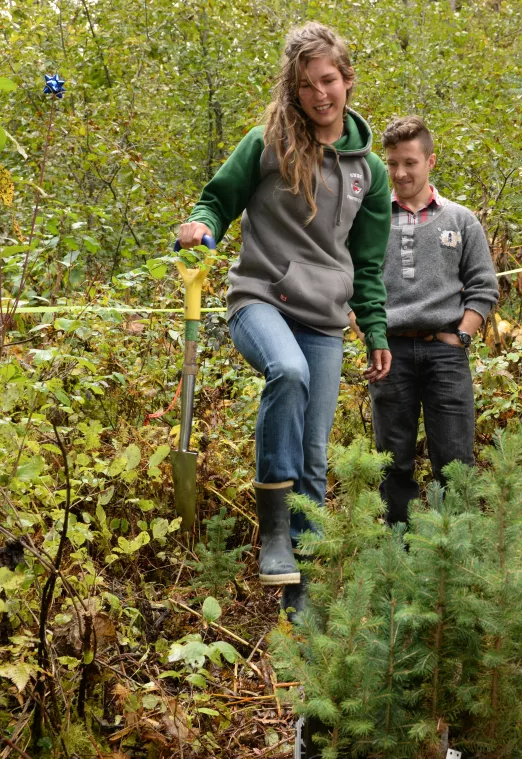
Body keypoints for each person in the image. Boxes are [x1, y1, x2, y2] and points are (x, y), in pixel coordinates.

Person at [177, 22, 392, 611]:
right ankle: (274, 532)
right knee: (287, 373)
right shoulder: (267, 143)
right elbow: (218, 199)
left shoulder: (369, 174)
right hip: (259, 299)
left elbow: (367, 264)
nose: (320, 94)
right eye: (305, 86)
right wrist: (202, 228)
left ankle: (304, 593)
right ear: (292, 92)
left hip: (325, 319)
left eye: (329, 80)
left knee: (316, 456)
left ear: (347, 80)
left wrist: (374, 328)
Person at [368, 116, 498, 525]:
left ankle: (452, 560)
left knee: (455, 463)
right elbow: (351, 283)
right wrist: (368, 333)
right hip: (390, 353)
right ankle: (396, 555)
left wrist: (462, 335)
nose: (400, 172)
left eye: (410, 162)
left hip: (445, 353)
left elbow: (484, 287)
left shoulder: (460, 221)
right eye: (392, 164)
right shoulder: (370, 221)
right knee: (393, 463)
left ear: (430, 161)